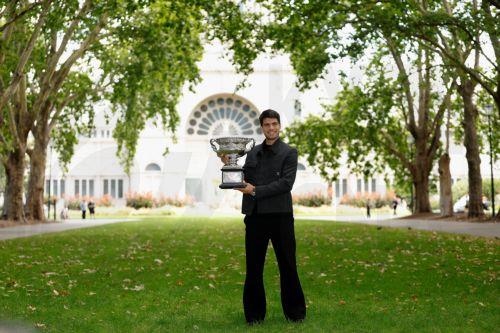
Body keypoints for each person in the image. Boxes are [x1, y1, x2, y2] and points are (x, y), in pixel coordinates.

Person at [220, 109, 306, 325]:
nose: (271, 128)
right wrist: (229, 162)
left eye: (274, 124)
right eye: (267, 125)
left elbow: (286, 184)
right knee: (254, 268)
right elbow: (244, 179)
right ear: (262, 127)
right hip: (255, 217)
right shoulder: (252, 152)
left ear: (279, 126)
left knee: (287, 265)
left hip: (281, 216)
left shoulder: (289, 152)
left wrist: (255, 190)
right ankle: (254, 317)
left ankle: (295, 315)